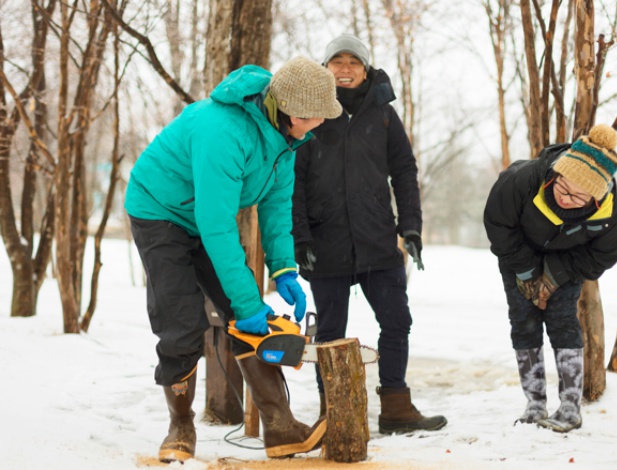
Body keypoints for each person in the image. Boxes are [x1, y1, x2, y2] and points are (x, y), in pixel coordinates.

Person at [124, 56, 342, 462]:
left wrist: (284, 269)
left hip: (207, 218)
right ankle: (180, 425)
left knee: (244, 316)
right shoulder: (223, 131)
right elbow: (218, 225)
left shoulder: (288, 140)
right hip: (160, 210)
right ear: (294, 112)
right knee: (182, 320)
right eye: (318, 116)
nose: (323, 123)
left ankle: (280, 427)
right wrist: (248, 302)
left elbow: (277, 207)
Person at [290, 34, 447, 435]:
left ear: (365, 69)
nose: (344, 69)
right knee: (328, 337)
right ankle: (333, 415)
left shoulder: (383, 114)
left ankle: (396, 409)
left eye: (353, 62)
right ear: (326, 69)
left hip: (377, 240)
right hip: (326, 245)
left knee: (397, 323)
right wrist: (301, 238)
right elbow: (293, 182)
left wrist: (410, 226)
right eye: (337, 62)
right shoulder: (310, 113)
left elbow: (405, 171)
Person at [483, 124, 617, 433]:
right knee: (523, 320)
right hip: (518, 254)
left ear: (597, 197)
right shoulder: (522, 180)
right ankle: (535, 403)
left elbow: (605, 254)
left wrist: (555, 275)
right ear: (556, 174)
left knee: (562, 320)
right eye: (562, 187)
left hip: (568, 262)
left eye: (579, 196)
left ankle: (569, 407)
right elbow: (498, 224)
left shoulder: (613, 214)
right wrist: (527, 272)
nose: (566, 198)